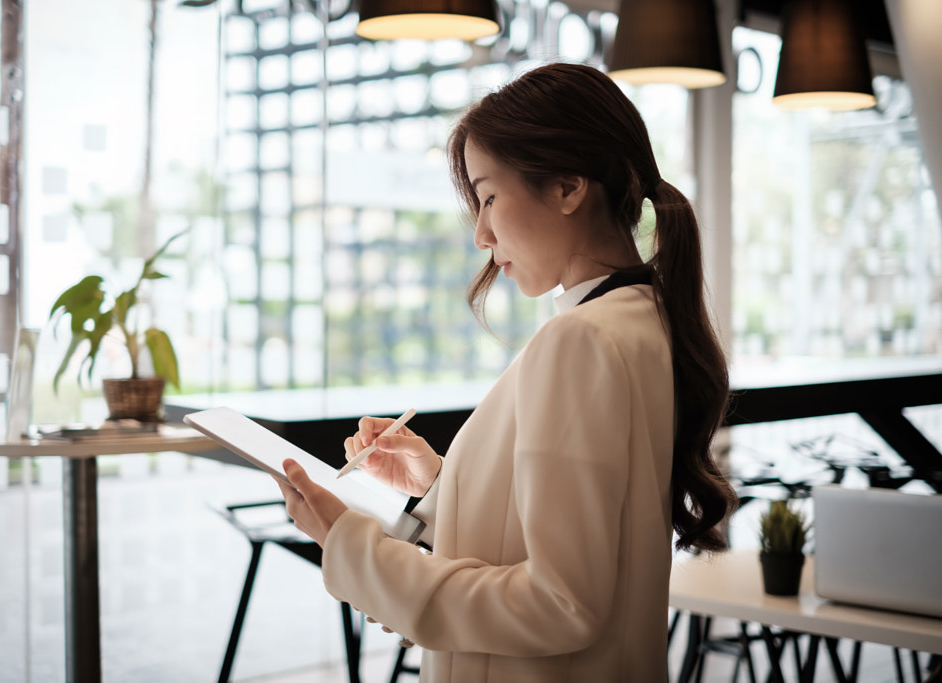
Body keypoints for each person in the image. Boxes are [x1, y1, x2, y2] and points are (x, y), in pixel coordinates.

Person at [275, 61, 738, 682]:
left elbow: (560, 605)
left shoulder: (580, 341)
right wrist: (442, 480)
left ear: (570, 186)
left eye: (489, 195)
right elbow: (580, 527)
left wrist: (347, 541)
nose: (481, 233)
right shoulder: (639, 319)